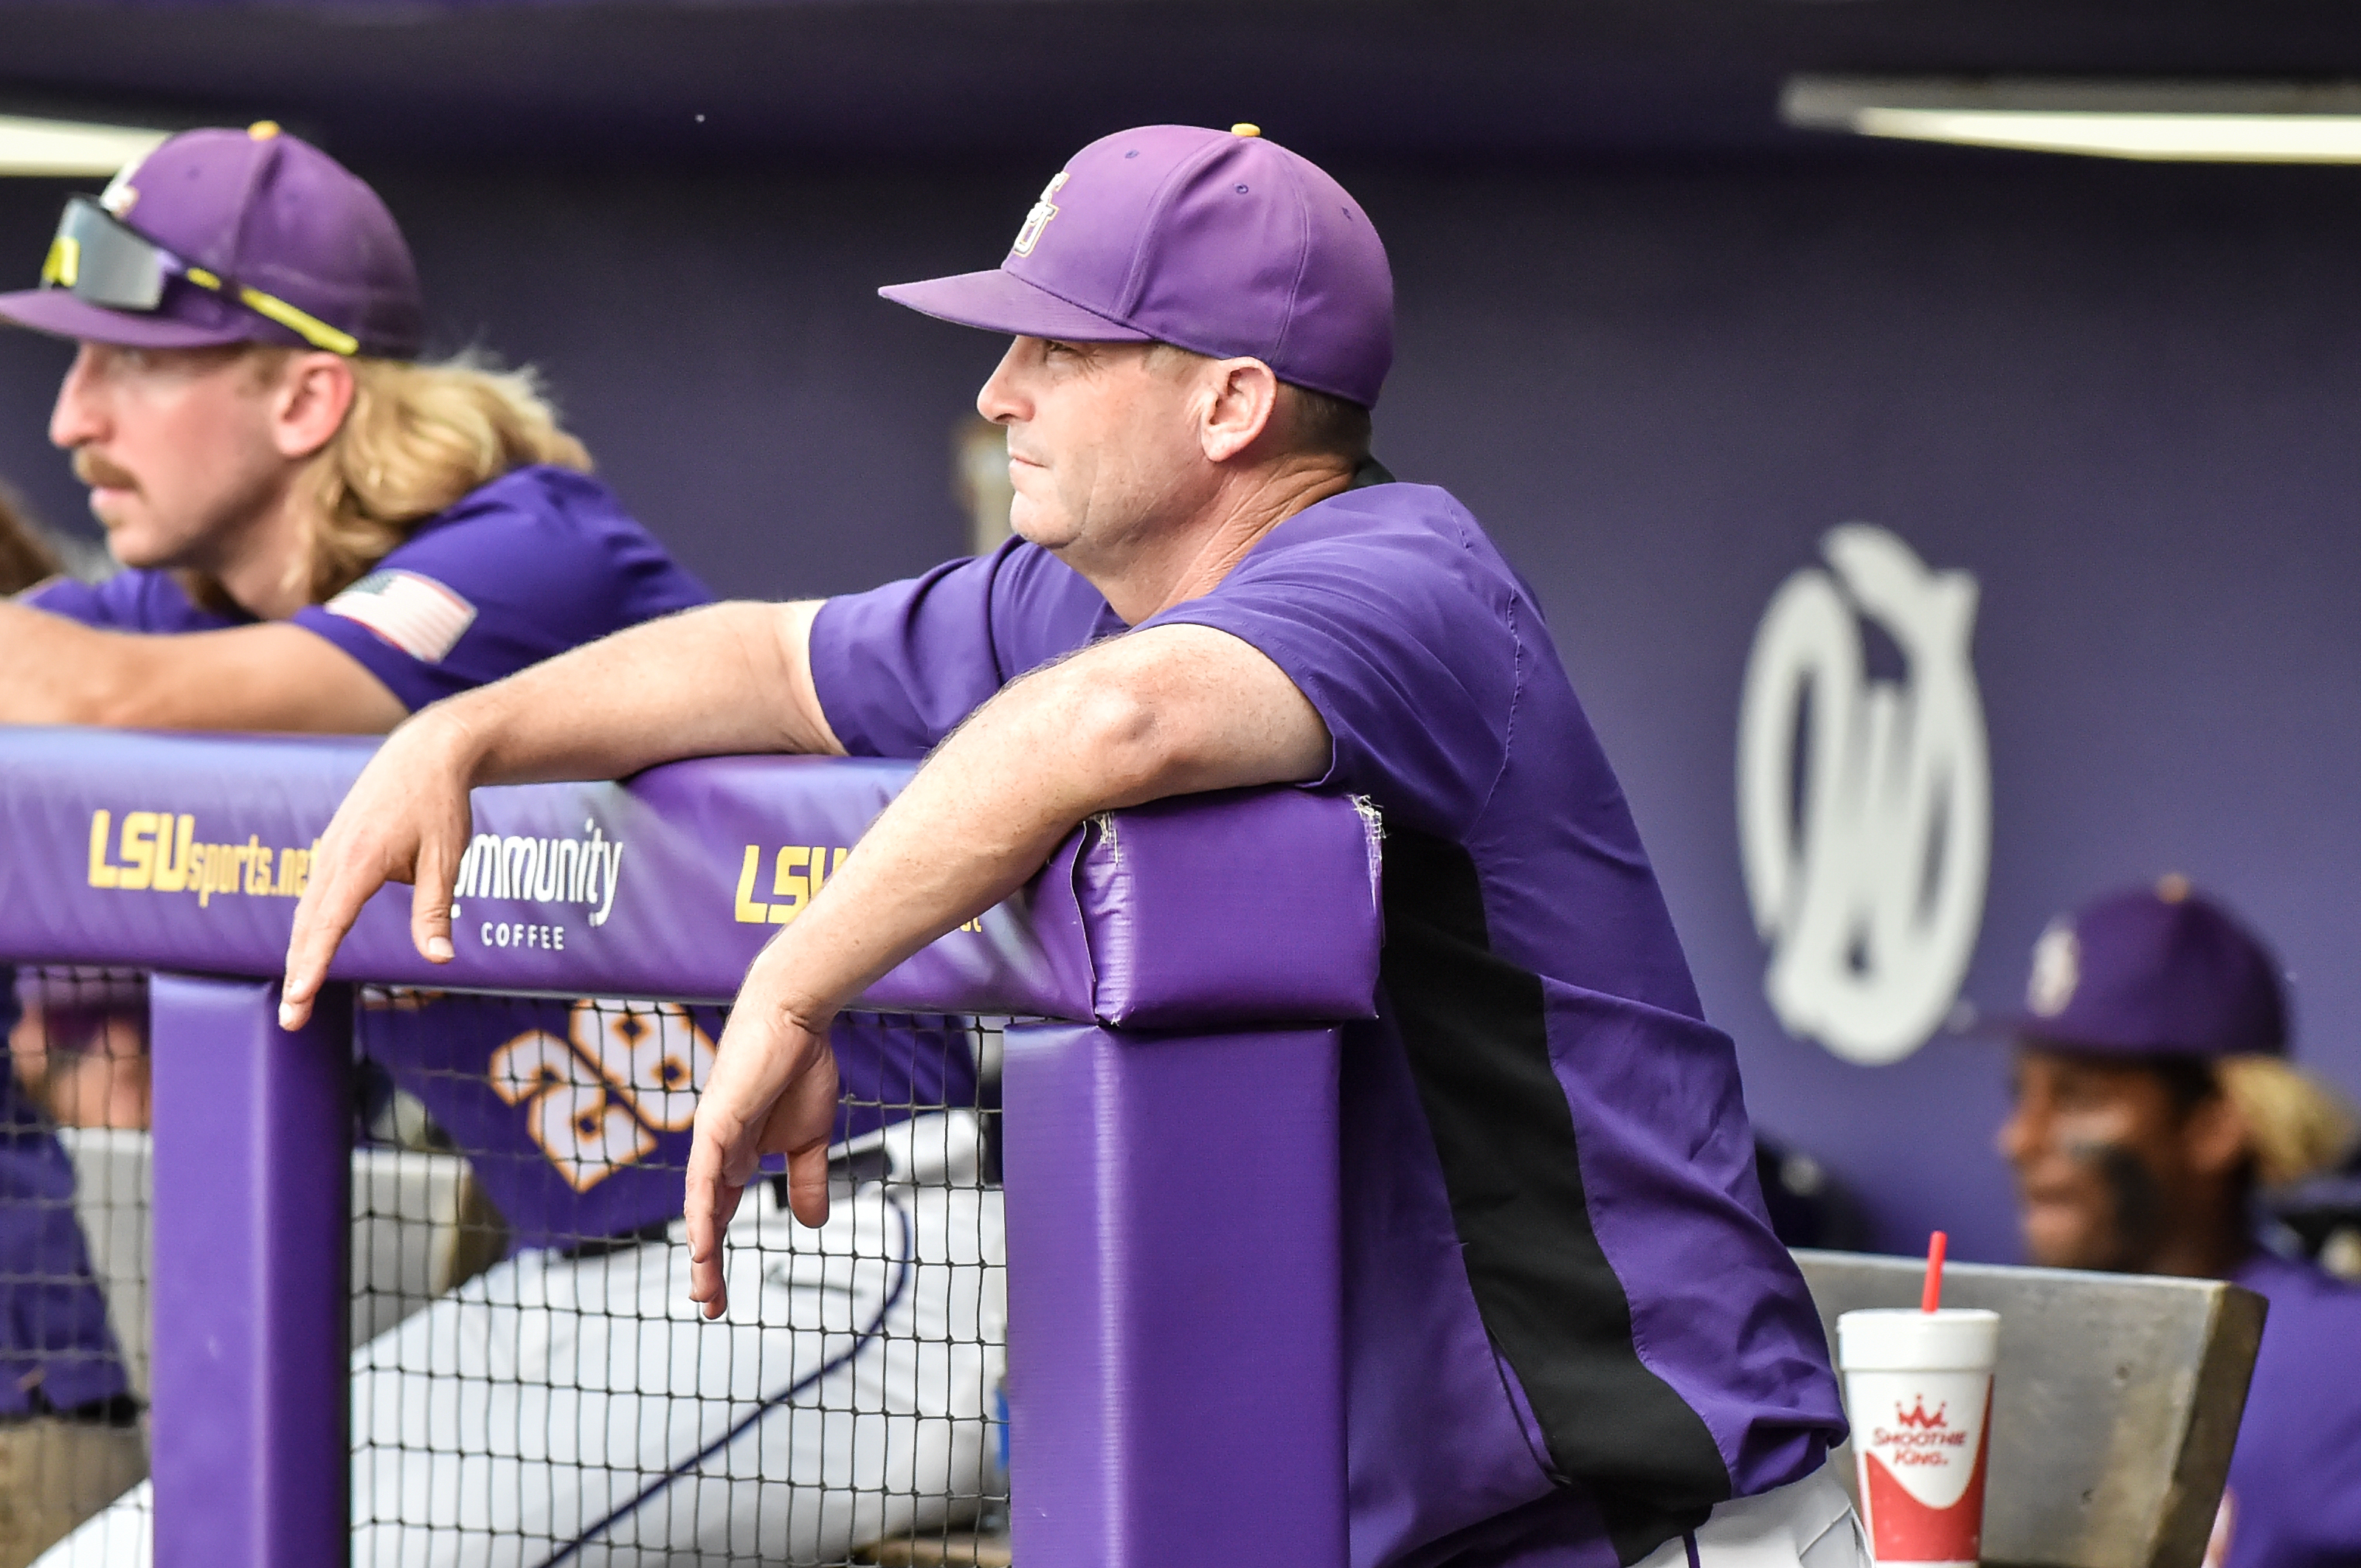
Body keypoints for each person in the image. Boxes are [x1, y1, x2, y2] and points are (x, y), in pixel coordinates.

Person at [284, 122, 1864, 1568]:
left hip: (1670, 1517)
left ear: (1229, 402)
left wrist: (797, 983)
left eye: (1057, 347)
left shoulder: (1402, 577)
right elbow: (759, 662)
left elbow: (1118, 726)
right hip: (1435, 1521)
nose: (997, 391)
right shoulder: (1063, 599)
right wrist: (460, 733)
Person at [14, 123, 1002, 1568]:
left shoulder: (530, 552)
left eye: (130, 365)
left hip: (861, 1253)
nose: (68, 419)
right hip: (601, 1303)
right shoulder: (204, 609)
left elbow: (101, 702)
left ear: (303, 396)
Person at [1996, 877, 2361, 1568]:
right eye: (2023, 1095)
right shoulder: (2021, 1349)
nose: (2019, 1138)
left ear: (2217, 1122)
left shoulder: (2334, 1359)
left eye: (2076, 1096)